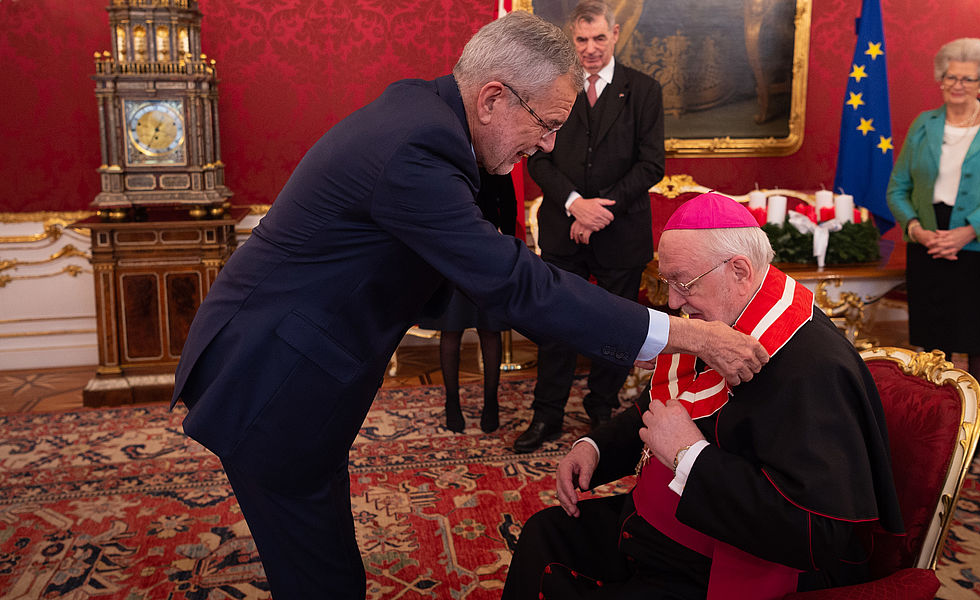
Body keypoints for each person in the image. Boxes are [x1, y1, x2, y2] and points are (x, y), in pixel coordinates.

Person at [169, 12, 769, 600]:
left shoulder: (432, 118)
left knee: (323, 556)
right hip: (271, 375)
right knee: (318, 575)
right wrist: (690, 337)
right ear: (491, 99)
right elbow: (516, 282)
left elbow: (491, 255)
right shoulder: (415, 147)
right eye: (548, 123)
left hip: (300, 360)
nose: (549, 144)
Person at [502, 192, 904, 598]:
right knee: (545, 534)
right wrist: (595, 447)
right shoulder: (724, 323)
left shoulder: (811, 366)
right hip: (662, 527)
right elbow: (662, 408)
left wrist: (688, 456)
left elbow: (820, 533)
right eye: (668, 282)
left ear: (740, 270)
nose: (674, 302)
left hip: (723, 562)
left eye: (684, 283)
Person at [516, 0, 665, 453]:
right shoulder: (550, 87)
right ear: (571, 39)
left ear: (615, 34)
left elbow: (652, 164)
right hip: (563, 227)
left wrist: (602, 210)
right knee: (557, 324)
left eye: (598, 38)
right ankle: (548, 415)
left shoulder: (644, 89)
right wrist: (577, 204)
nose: (590, 48)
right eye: (581, 40)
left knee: (619, 325)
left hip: (622, 232)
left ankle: (602, 406)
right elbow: (536, 156)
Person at [886, 37, 980, 400]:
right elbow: (897, 188)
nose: (957, 85)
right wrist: (916, 230)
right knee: (933, 342)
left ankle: (973, 431)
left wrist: (967, 232)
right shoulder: (924, 124)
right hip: (928, 246)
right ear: (941, 79)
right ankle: (936, 421)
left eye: (967, 79)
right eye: (950, 77)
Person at [418, 171, 517, 433]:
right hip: (450, 253)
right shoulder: (443, 157)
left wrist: (504, 236)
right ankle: (452, 403)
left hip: (488, 255)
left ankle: (491, 403)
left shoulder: (495, 156)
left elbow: (509, 202)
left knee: (489, 329)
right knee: (451, 330)